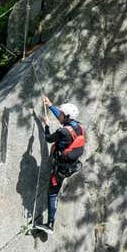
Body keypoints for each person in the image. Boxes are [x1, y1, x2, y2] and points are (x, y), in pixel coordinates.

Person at [32, 97, 85, 234]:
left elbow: (49, 139)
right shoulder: (79, 128)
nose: (59, 115)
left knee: (53, 192)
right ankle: (49, 222)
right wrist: (50, 106)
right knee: (54, 190)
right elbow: (63, 119)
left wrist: (47, 125)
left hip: (60, 169)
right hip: (71, 165)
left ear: (66, 116)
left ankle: (50, 224)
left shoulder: (63, 132)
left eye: (61, 113)